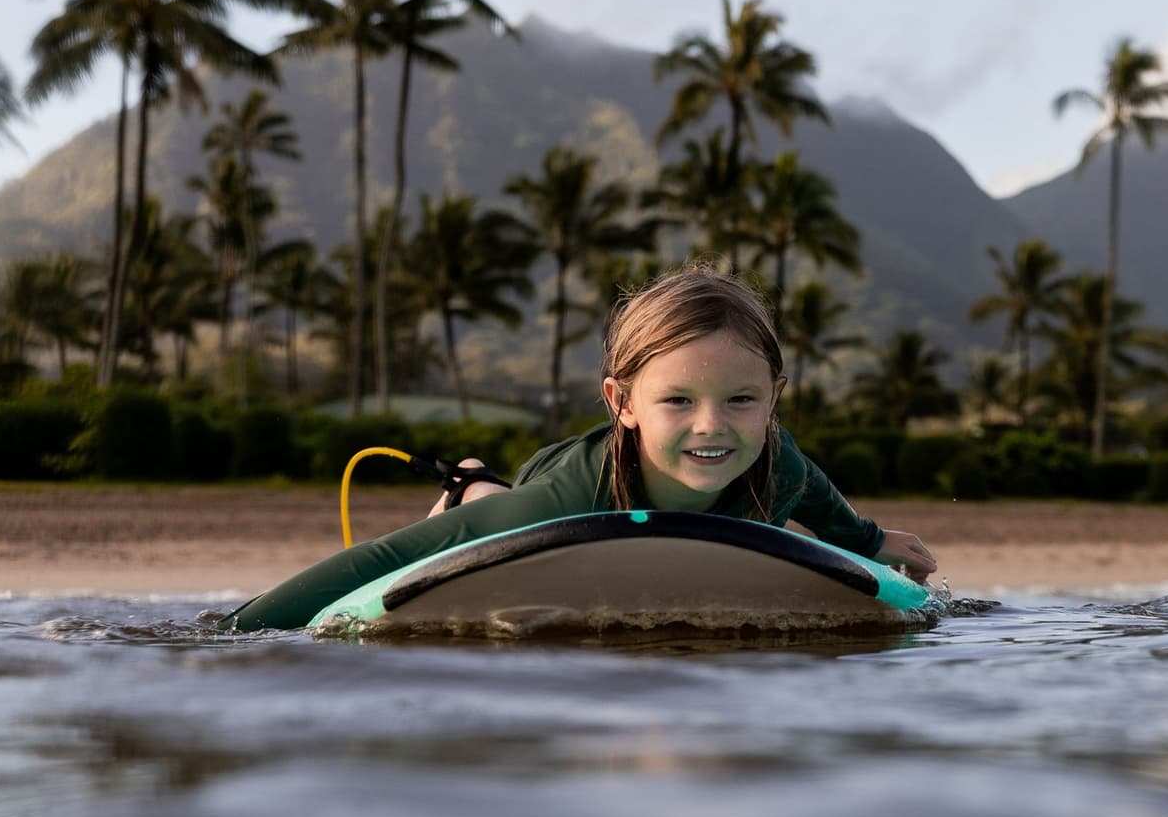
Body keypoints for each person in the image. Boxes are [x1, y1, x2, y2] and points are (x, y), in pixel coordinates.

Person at [221, 265, 936, 630]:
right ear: (623, 403)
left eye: (741, 401)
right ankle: (471, 478)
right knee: (492, 507)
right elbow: (395, 557)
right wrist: (244, 630)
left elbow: (823, 507)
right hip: (547, 492)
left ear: (775, 400)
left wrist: (875, 542)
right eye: (677, 401)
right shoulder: (574, 494)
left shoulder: (777, 461)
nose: (712, 425)